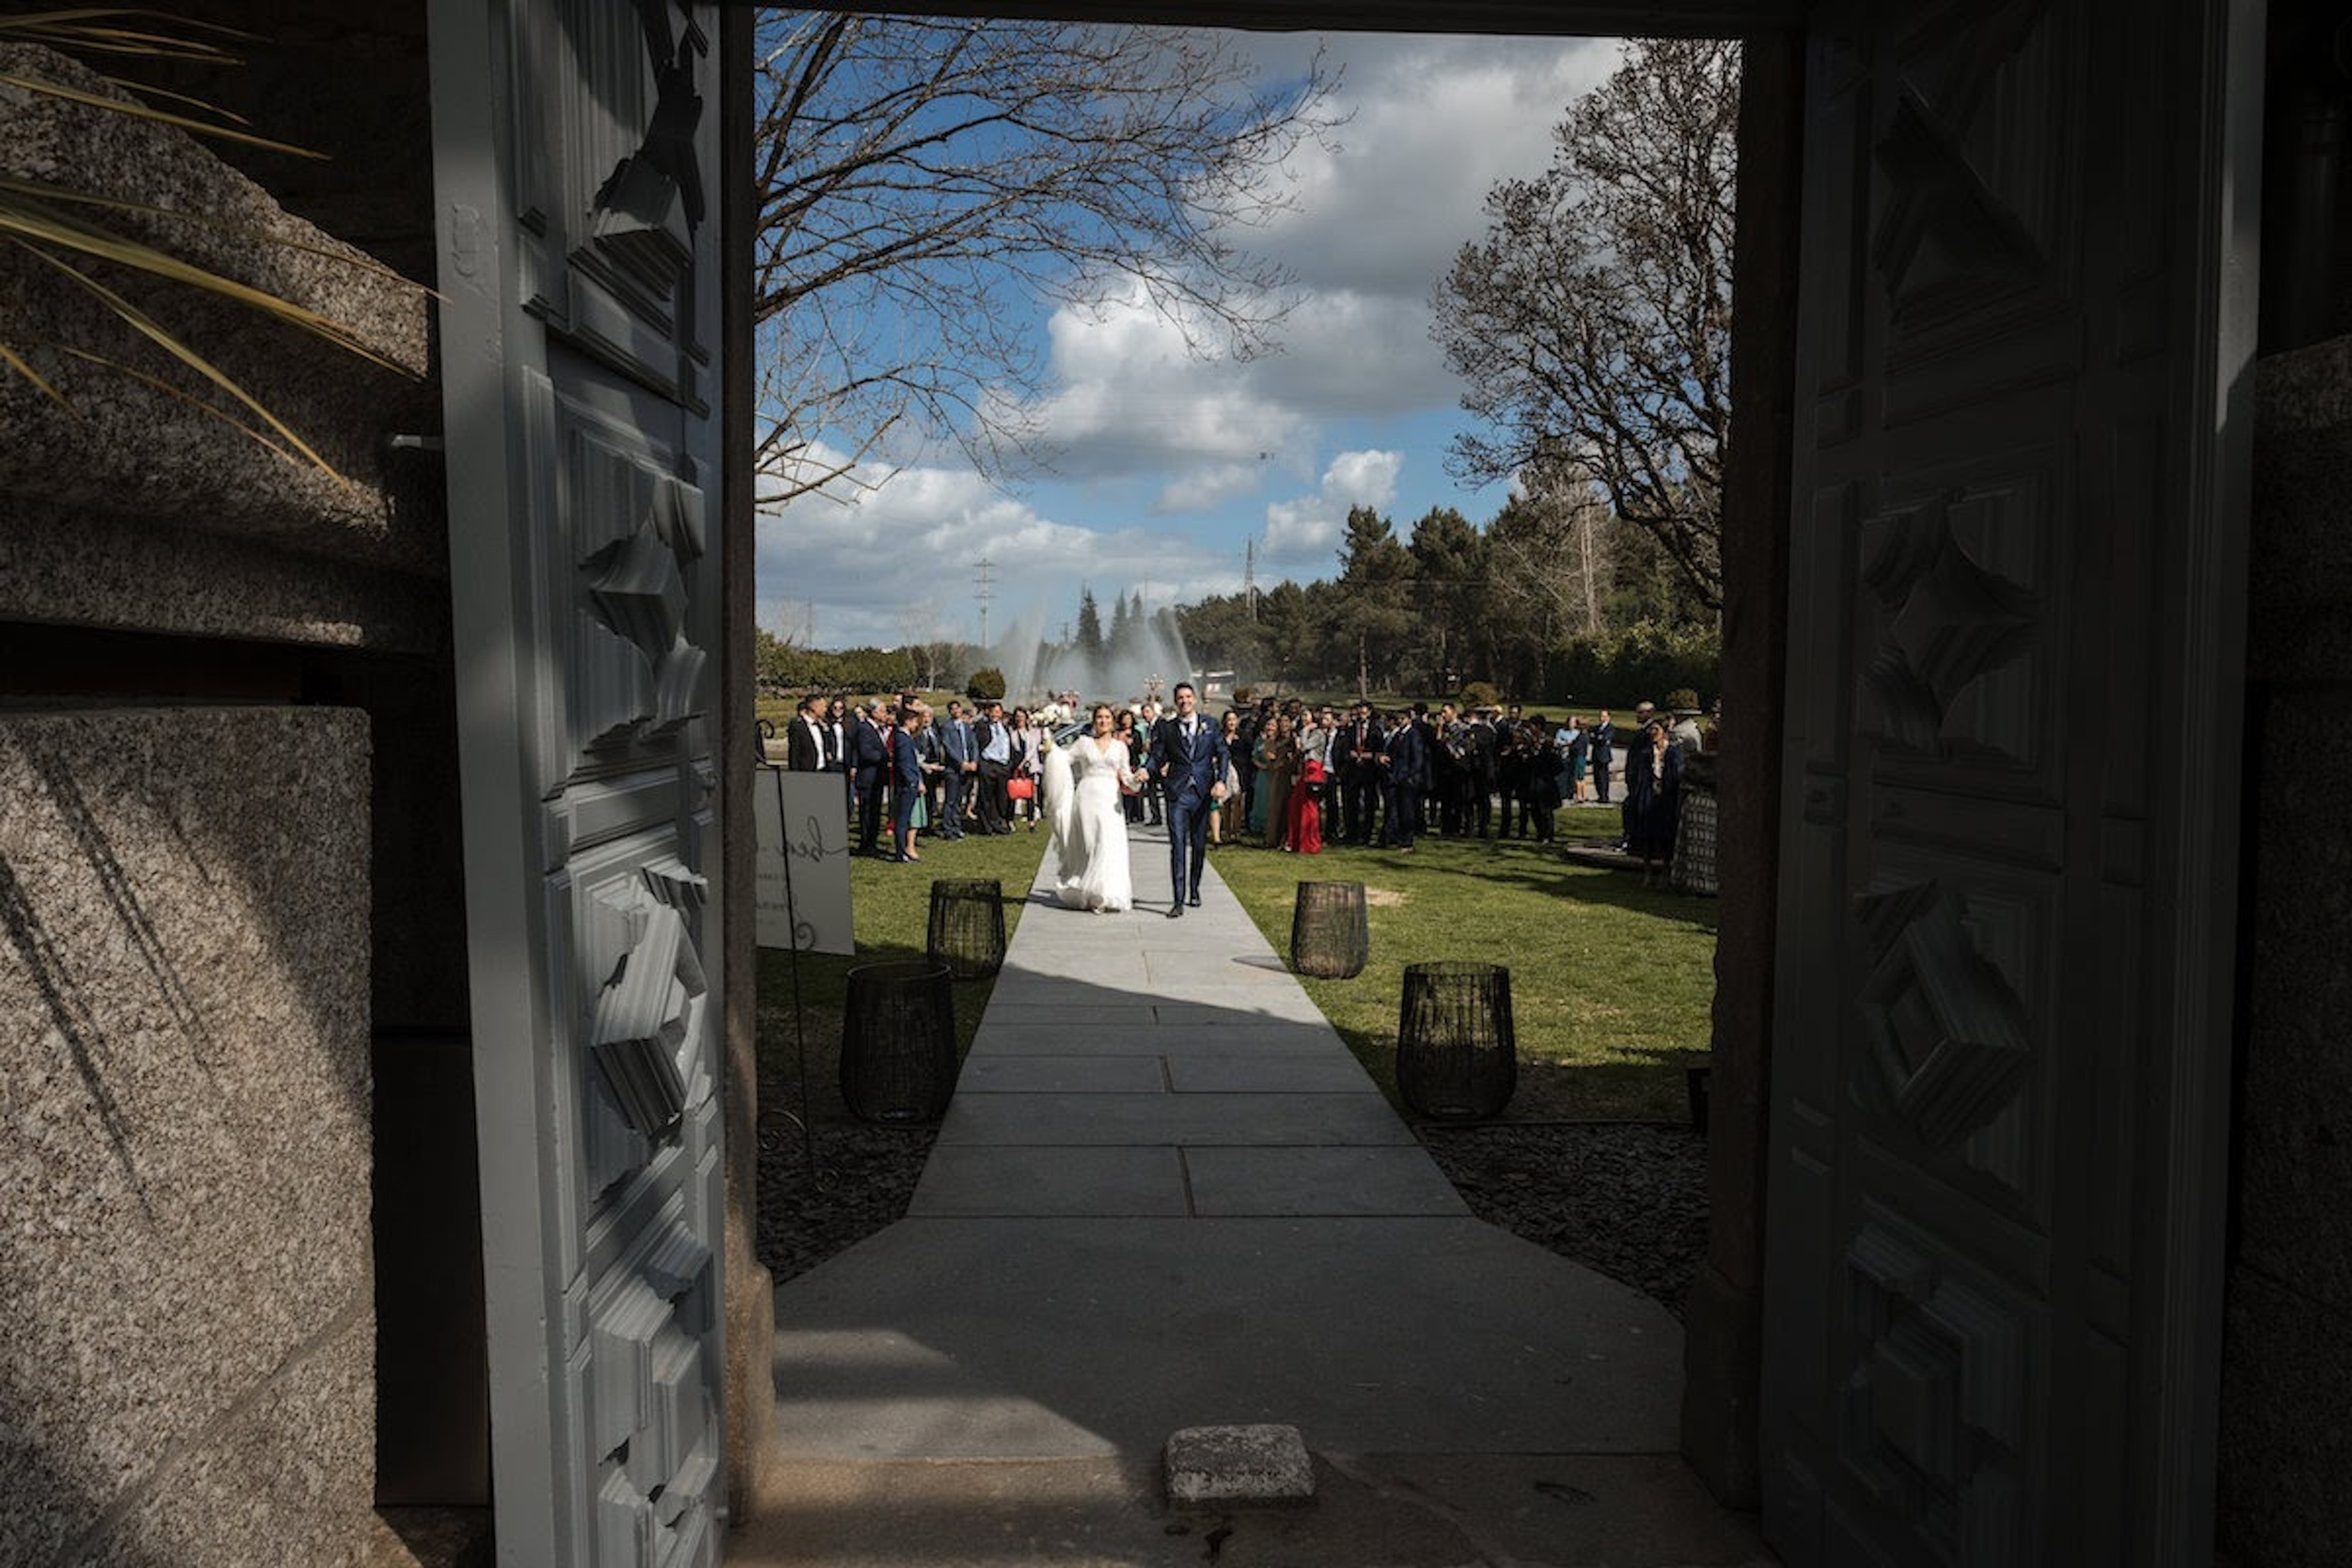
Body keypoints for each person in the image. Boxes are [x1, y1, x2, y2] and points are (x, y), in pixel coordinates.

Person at [1145, 681, 1231, 917]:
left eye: (1188, 697)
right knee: (1178, 846)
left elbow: (1222, 754)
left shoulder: (1210, 725)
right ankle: (1178, 900)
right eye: (1180, 698)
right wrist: (1146, 769)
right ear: (1176, 702)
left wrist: (1221, 780)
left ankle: (1194, 888)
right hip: (1177, 793)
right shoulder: (1167, 728)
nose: (1184, 701)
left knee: (1199, 845)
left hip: (1202, 793)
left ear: (1193, 699)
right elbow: (1157, 755)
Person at [1046, 703, 1141, 912]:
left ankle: (1106, 893)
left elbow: (1126, 776)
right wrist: (1050, 746)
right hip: (1086, 798)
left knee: (1107, 843)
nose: (1103, 721)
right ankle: (1087, 891)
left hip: (1110, 799)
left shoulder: (1120, 747)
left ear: (1112, 721)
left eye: (1107, 717)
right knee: (1089, 845)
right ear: (1094, 720)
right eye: (1099, 717)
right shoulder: (1083, 743)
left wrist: (1136, 779)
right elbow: (1063, 759)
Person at [1624, 716, 1682, 886]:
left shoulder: (1673, 753)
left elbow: (1676, 776)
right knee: (1647, 836)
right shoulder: (1645, 754)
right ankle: (1647, 872)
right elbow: (1637, 775)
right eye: (1651, 730)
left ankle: (1665, 871)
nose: (1652, 733)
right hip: (1648, 797)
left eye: (1655, 730)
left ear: (1663, 732)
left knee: (1666, 836)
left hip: (1666, 799)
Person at [886, 704, 926, 863]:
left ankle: (901, 850)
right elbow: (905, 764)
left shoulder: (905, 737)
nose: (917, 725)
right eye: (915, 721)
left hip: (907, 783)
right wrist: (913, 782)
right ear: (908, 722)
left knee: (904, 819)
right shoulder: (902, 738)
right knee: (902, 820)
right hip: (906, 785)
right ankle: (900, 852)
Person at [1379, 705, 1423, 850]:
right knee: (1396, 809)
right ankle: (1396, 838)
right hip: (1395, 777)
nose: (1400, 721)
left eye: (1403, 718)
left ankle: (1407, 841)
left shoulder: (1413, 734)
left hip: (1406, 778)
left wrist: (1409, 776)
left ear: (1409, 719)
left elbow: (1417, 759)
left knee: (1407, 811)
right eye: (1399, 719)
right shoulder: (1398, 735)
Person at [851, 698, 889, 856]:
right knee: (867, 813)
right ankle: (866, 845)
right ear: (874, 712)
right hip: (868, 778)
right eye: (883, 711)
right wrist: (886, 757)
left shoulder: (875, 729)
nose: (885, 714)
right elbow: (866, 753)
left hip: (876, 777)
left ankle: (871, 843)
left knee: (874, 812)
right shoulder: (865, 728)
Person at [1337, 701, 1380, 844]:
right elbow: (1346, 747)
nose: (1361, 716)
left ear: (1369, 713)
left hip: (1369, 770)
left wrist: (1371, 755)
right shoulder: (1352, 729)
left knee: (1368, 802)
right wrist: (1351, 754)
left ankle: (1367, 833)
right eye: (1359, 713)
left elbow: (1379, 749)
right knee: (1352, 802)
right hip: (1354, 770)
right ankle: (1352, 833)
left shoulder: (1376, 729)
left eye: (1364, 713)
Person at [972, 698, 1012, 834]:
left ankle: (998, 822)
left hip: (1002, 766)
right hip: (988, 764)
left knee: (1000, 797)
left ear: (1001, 713)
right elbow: (976, 744)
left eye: (998, 712)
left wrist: (1009, 763)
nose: (995, 714)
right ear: (988, 712)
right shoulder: (982, 726)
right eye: (993, 712)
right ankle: (986, 826)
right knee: (986, 797)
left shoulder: (1005, 727)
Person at [937, 699, 974, 840]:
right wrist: (961, 762)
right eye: (953, 709)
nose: (956, 711)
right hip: (953, 769)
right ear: (950, 711)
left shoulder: (966, 726)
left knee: (959, 800)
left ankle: (957, 827)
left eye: (958, 708)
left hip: (966, 768)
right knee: (950, 800)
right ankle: (948, 828)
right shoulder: (946, 727)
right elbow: (948, 747)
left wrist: (973, 761)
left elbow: (973, 744)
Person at [1211, 708, 1245, 845]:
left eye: (1234, 719)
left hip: (1238, 771)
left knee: (1237, 800)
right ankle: (1226, 830)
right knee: (1225, 802)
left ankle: (1236, 831)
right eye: (1229, 720)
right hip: (1223, 770)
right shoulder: (1219, 736)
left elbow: (1247, 754)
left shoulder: (1242, 736)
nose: (1231, 722)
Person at [1010, 705, 1046, 829]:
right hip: (1016, 765)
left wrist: (1024, 761)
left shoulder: (1032, 733)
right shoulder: (1012, 733)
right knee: (1014, 793)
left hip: (1028, 765)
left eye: (1022, 716)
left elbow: (1033, 749)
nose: (1020, 719)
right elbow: (1013, 748)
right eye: (1017, 717)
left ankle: (1032, 821)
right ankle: (1010, 820)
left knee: (1030, 794)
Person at [1589, 707, 1616, 806]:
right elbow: (1592, 738)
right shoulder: (1596, 728)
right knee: (1596, 776)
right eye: (1601, 716)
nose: (1602, 718)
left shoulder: (1610, 728)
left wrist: (1598, 738)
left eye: (1604, 716)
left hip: (1604, 756)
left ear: (1608, 717)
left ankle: (1604, 796)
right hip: (1596, 755)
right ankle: (1600, 795)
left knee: (1603, 777)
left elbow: (1604, 739)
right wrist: (1597, 738)